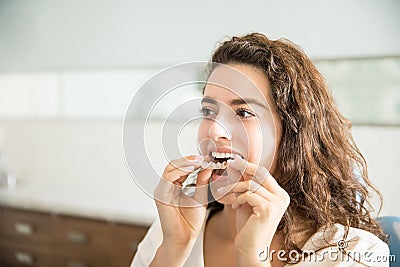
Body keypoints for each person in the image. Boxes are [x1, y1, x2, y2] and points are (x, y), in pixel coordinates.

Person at [131, 33, 389, 266]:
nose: (214, 130)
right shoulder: (170, 231)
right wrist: (173, 248)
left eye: (243, 112)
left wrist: (251, 258)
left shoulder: (352, 253)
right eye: (208, 111)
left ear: (292, 134)